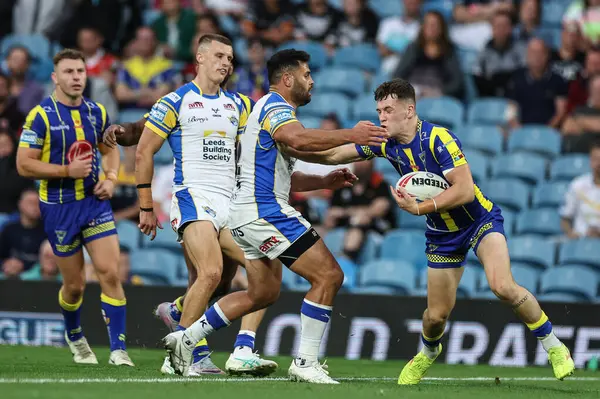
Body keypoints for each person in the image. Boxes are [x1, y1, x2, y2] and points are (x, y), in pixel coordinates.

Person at [294, 78, 576, 384]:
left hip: (478, 221)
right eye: (379, 110)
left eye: (388, 109)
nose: (382, 116)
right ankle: (428, 352)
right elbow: (333, 155)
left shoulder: (438, 138)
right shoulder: (384, 142)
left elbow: (465, 190)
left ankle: (554, 346)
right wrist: (293, 148)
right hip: (442, 234)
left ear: (409, 110)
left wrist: (419, 208)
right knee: (435, 316)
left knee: (502, 286)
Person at [161, 48, 388, 383]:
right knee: (328, 276)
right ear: (287, 78)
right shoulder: (274, 107)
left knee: (262, 294)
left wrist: (329, 178)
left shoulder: (273, 114)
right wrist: (354, 134)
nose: (312, 81)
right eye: (307, 75)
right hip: (264, 211)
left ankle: (186, 339)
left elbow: (302, 159)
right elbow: (298, 139)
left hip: (246, 214)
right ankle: (305, 362)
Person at [129, 33, 278, 377]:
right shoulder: (174, 101)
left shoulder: (239, 105)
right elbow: (144, 151)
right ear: (200, 58)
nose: (227, 62)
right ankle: (181, 356)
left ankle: (226, 341)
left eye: (230, 57)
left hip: (230, 201)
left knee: (266, 271)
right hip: (193, 197)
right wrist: (146, 205)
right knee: (210, 272)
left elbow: (252, 153)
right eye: (220, 56)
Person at [15, 48, 133, 367]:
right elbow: (24, 164)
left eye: (80, 71)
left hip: (94, 204)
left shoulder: (96, 112)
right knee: (75, 285)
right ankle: (75, 335)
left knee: (109, 271)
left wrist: (110, 177)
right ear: (55, 77)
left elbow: (110, 151)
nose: (76, 77)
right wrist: (67, 172)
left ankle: (118, 350)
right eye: (68, 72)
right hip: (59, 209)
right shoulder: (40, 116)